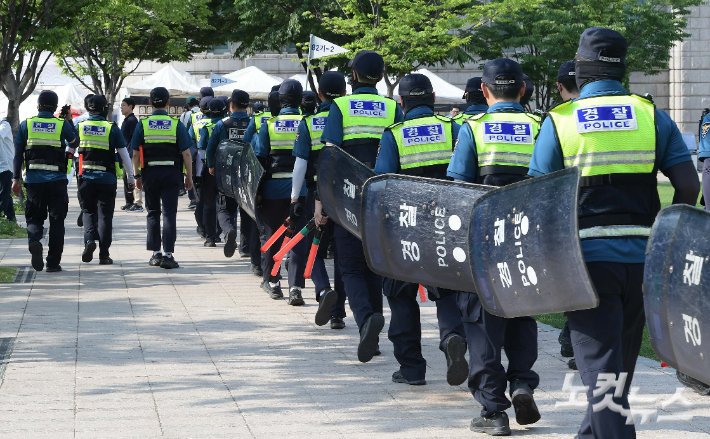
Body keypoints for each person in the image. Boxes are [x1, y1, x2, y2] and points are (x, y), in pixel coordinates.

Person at [530, 27, 699, 439]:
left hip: (585, 262)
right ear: (623, 68)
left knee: (601, 373)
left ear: (581, 69)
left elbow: (539, 195)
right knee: (615, 370)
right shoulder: (650, 115)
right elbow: (689, 185)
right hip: (642, 260)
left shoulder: (561, 121)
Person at [447, 58, 542, 435]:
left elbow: (458, 188)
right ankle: (521, 382)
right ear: (522, 90)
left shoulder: (474, 128)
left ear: (484, 91)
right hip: (529, 240)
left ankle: (493, 411)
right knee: (523, 315)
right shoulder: (541, 125)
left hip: (484, 243)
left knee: (482, 324)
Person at [374, 73, 468, 386]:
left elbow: (382, 184)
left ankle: (412, 368)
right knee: (448, 292)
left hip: (406, 229)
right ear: (432, 99)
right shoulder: (452, 127)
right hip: (446, 226)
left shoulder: (395, 134)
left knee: (400, 296)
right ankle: (453, 336)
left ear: (402, 102)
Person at [319, 50, 404, 363]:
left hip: (347, 196)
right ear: (381, 77)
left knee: (350, 265)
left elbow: (330, 156)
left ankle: (366, 318)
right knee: (375, 265)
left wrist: (322, 202)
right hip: (382, 197)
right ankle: (375, 332)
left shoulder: (340, 106)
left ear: (352, 76)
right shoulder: (393, 107)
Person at [291, 71, 348, 329]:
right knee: (343, 254)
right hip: (349, 196)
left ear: (319, 94)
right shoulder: (348, 116)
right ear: (344, 92)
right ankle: (338, 313)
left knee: (312, 248)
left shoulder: (309, 123)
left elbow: (301, 164)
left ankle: (323, 290)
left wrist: (295, 196)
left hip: (319, 196)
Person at [254, 79, 309, 305]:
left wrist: (255, 192)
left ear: (280, 99)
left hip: (272, 190)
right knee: (297, 238)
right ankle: (295, 287)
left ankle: (273, 282)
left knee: (272, 235)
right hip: (302, 190)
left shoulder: (269, 125)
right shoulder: (307, 123)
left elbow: (259, 159)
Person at [12, 90, 79, 272]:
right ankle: (53, 263)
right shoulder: (60, 124)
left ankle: (35, 241)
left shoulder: (27, 124)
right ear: (55, 107)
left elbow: (18, 155)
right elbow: (75, 142)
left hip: (34, 181)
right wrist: (68, 122)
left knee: (34, 218)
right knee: (57, 221)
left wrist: (15, 179)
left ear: (38, 105)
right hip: (57, 181)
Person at [131, 87, 194, 269]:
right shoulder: (176, 124)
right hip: (171, 174)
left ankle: (155, 254)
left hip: (150, 174)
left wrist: (137, 176)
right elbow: (187, 154)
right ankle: (168, 254)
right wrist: (188, 176)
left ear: (150, 103)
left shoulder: (143, 124)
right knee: (169, 213)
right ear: (168, 103)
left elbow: (135, 153)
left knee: (152, 213)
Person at [77, 95, 135, 264]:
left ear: (88, 108)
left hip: (86, 177)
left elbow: (70, 150)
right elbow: (124, 154)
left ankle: (89, 241)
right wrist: (131, 177)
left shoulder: (80, 126)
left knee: (88, 211)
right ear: (105, 109)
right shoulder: (112, 128)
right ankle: (104, 254)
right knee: (105, 216)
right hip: (107, 179)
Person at [206, 89, 260, 274]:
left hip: (226, 174)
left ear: (231, 105)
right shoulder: (253, 123)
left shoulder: (222, 124)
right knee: (247, 211)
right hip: (247, 175)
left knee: (224, 208)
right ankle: (245, 248)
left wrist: (211, 166)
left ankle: (229, 230)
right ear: (247, 106)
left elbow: (211, 147)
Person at [552, 60, 580, 369]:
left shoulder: (558, 120)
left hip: (568, 219)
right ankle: (572, 338)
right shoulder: (640, 111)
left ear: (559, 87)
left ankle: (574, 339)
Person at [197, 98, 224, 247]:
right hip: (227, 168)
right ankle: (222, 231)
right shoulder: (226, 124)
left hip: (209, 168)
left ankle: (210, 237)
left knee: (208, 203)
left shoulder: (206, 126)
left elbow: (201, 148)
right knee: (226, 203)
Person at [191, 96, 214, 239]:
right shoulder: (217, 124)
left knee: (201, 198)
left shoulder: (196, 123)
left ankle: (201, 227)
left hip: (199, 164)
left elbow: (189, 145)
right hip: (215, 165)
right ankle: (213, 230)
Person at [120, 97, 142, 212]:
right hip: (126, 153)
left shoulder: (132, 121)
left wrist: (132, 154)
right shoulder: (127, 120)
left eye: (123, 105)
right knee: (126, 177)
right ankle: (129, 202)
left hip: (131, 153)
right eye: (121, 105)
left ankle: (137, 203)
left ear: (130, 106)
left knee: (132, 177)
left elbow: (134, 140)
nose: (121, 107)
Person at [0, 117, 16, 222]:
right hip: (2, 166)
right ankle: (11, 219)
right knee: (6, 194)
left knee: (3, 194)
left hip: (6, 166)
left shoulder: (4, 125)